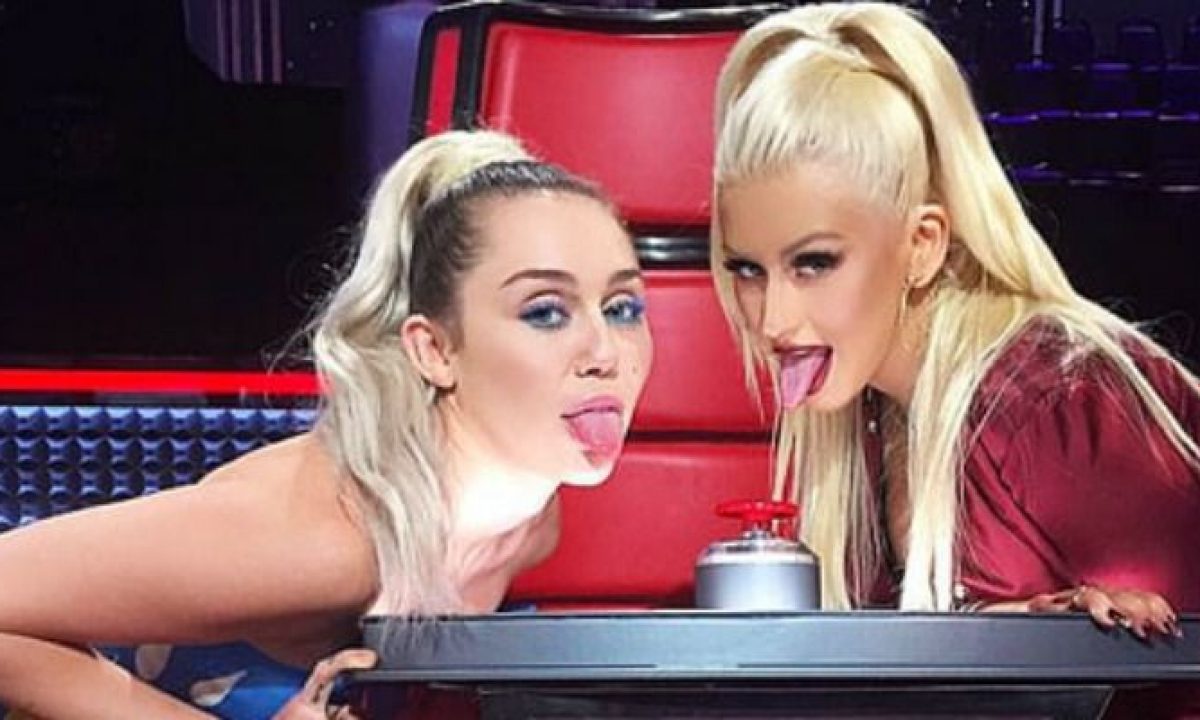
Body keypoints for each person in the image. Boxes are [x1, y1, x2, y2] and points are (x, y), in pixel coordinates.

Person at [0, 129, 653, 718]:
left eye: (622, 307)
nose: (606, 353)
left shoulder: (532, 523)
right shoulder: (329, 541)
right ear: (434, 350)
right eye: (545, 312)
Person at [710, 0, 1199, 690]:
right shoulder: (866, 416)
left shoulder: (1059, 396)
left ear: (923, 243)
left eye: (814, 263)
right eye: (747, 269)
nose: (772, 320)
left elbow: (1172, 673)